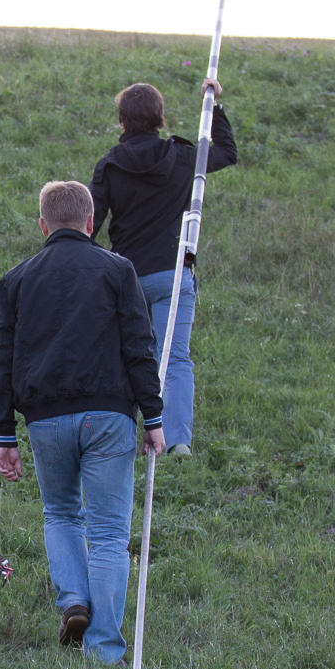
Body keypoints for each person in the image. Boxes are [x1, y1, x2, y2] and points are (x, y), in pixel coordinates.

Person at [0, 182, 164, 660]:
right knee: (109, 532)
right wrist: (153, 416)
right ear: (91, 223)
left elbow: (1, 360)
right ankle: (103, 648)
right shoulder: (118, 270)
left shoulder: (15, 280)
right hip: (109, 416)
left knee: (61, 513)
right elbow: (139, 346)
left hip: (45, 421)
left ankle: (73, 600)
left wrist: (5, 432)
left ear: (43, 225)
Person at [88, 79, 237, 455]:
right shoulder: (183, 158)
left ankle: (121, 435)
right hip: (173, 274)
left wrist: (95, 266)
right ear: (160, 118)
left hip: (127, 279)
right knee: (175, 359)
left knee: (126, 358)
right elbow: (226, 153)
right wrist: (214, 106)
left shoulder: (109, 165)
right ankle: (178, 442)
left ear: (122, 121)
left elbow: (88, 226)